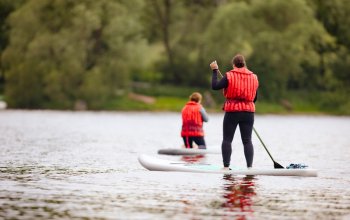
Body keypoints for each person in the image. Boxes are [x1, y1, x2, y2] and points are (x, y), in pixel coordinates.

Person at [210, 54, 259, 169]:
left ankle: (226, 167)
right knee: (247, 141)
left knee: (227, 140)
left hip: (232, 111)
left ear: (234, 64)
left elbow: (215, 86)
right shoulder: (254, 77)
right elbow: (255, 98)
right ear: (244, 64)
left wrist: (214, 71)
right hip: (248, 112)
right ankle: (250, 167)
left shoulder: (229, 75)